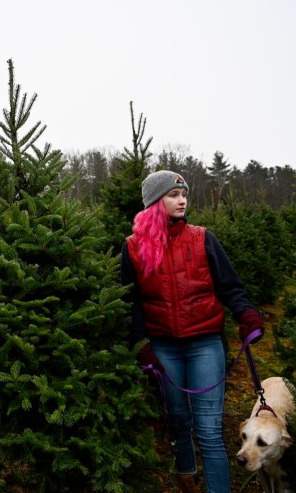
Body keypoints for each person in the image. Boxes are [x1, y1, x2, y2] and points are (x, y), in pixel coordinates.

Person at [120, 170, 264, 493]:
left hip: (205, 345)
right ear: (156, 202)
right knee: (179, 421)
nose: (182, 200)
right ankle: (187, 475)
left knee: (210, 431)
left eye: (184, 194)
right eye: (173, 195)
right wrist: (141, 345)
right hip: (163, 347)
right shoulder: (133, 248)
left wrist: (247, 315)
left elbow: (230, 285)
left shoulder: (202, 238)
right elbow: (131, 303)